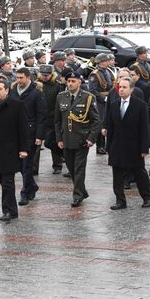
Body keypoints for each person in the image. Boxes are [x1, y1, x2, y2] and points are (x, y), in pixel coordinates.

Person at [106, 77, 150, 209]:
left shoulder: (140, 105)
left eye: (124, 87)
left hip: (134, 146)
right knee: (117, 175)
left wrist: (144, 148)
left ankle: (147, 197)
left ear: (131, 89)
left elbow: (145, 128)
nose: (121, 90)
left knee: (139, 173)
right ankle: (120, 201)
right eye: (119, 87)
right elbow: (111, 127)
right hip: (117, 145)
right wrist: (108, 146)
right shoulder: (114, 104)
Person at [0, 81, 28, 221]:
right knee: (3, 181)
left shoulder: (17, 106)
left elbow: (23, 129)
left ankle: (7, 211)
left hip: (11, 150)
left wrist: (23, 149)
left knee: (7, 181)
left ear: (7, 90)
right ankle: (13, 210)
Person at [55, 70, 100, 207]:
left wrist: (91, 138)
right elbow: (57, 121)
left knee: (79, 168)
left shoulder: (88, 97)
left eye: (73, 81)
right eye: (68, 81)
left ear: (80, 82)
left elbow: (96, 121)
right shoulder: (61, 97)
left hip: (82, 139)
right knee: (71, 168)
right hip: (67, 139)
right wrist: (59, 139)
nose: (70, 83)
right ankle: (82, 190)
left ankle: (77, 196)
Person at [9, 68, 46, 204]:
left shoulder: (36, 93)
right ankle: (33, 186)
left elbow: (41, 116)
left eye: (21, 78)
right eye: (17, 78)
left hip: (30, 133)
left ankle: (24, 193)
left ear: (28, 77)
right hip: (15, 134)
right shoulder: (12, 92)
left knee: (27, 165)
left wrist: (39, 136)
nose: (18, 81)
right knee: (19, 165)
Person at [38, 64, 64, 174]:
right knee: (38, 143)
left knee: (52, 141)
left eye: (47, 75)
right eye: (43, 75)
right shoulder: (37, 85)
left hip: (52, 117)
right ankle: (34, 168)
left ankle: (58, 165)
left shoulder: (57, 85)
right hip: (39, 117)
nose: (45, 77)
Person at [88, 53, 113, 155]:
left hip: (108, 99)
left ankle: (106, 145)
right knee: (101, 123)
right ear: (101, 62)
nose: (108, 62)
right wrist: (103, 99)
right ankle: (100, 146)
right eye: (106, 61)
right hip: (100, 101)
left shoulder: (107, 71)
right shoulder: (95, 74)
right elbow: (93, 90)